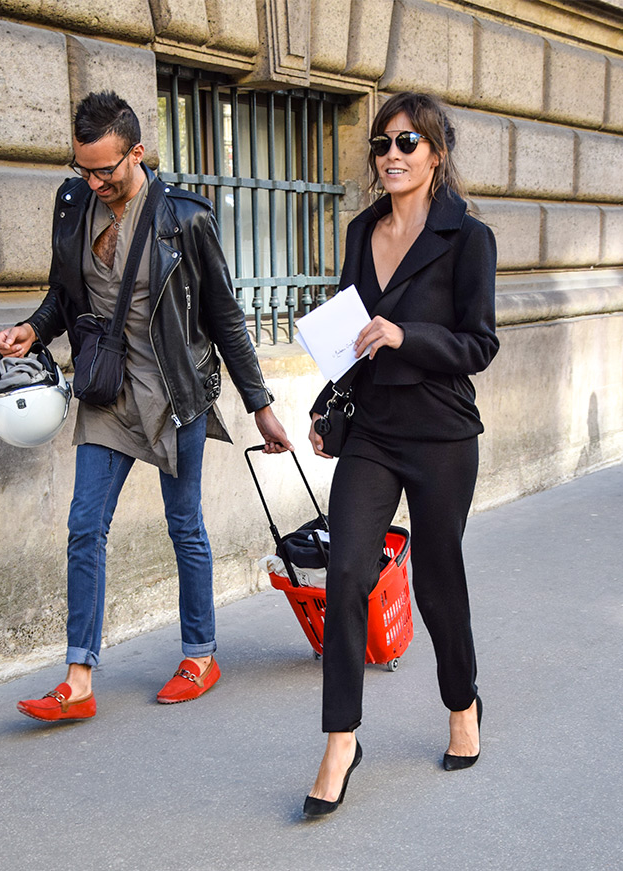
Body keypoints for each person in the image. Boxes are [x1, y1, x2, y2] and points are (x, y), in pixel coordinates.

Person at [0, 91, 292, 722]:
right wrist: (33, 327)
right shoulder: (74, 203)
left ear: (137, 152)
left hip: (174, 393)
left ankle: (201, 654)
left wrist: (259, 405)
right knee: (85, 525)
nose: (94, 181)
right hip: (106, 393)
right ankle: (77, 679)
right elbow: (63, 290)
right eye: (83, 168)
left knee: (184, 525)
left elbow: (224, 316)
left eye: (106, 169)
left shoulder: (184, 218)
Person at [302, 92, 499, 817]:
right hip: (376, 430)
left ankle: (461, 703)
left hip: (443, 434)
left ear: (436, 153)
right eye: (383, 142)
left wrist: (405, 336)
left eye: (408, 141)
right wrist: (328, 409)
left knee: (438, 582)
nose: (392, 153)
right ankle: (341, 739)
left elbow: (480, 343)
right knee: (349, 568)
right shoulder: (362, 231)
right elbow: (350, 333)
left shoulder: (467, 238)